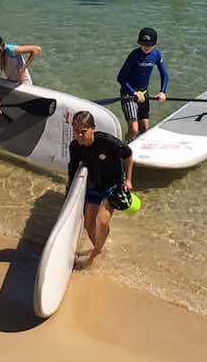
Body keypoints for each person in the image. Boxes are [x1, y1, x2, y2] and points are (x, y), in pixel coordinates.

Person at [68, 110, 133, 270]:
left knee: (102, 221)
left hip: (114, 185)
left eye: (83, 132)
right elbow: (72, 169)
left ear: (93, 129)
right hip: (95, 185)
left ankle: (94, 256)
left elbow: (128, 154)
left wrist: (128, 179)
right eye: (76, 132)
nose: (79, 135)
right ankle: (99, 248)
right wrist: (69, 192)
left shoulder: (106, 141)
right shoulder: (75, 147)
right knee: (89, 224)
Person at [115, 27, 168, 138]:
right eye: (144, 45)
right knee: (134, 130)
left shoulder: (157, 55)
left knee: (145, 128)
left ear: (155, 44)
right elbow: (120, 78)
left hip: (144, 93)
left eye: (149, 45)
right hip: (128, 94)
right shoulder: (134, 55)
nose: (146, 47)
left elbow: (164, 75)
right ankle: (125, 149)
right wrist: (134, 92)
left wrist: (162, 92)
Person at [0, 33, 40, 117]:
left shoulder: (11, 50)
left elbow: (36, 49)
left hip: (24, 83)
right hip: (11, 81)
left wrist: (24, 67)